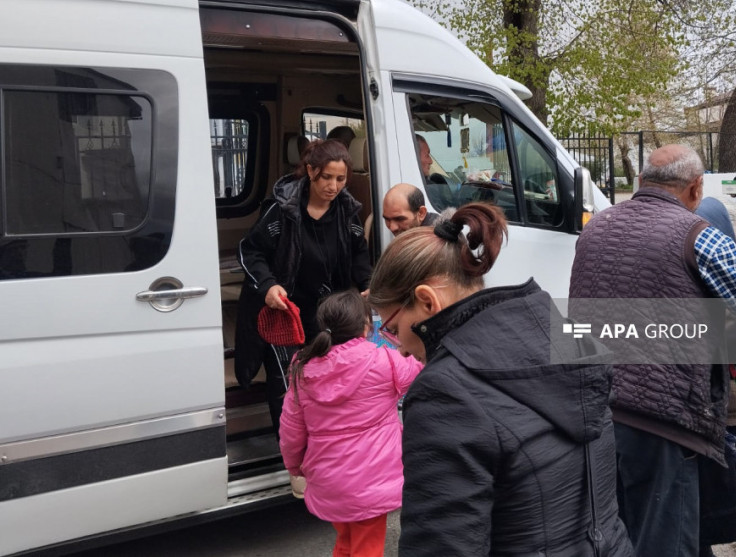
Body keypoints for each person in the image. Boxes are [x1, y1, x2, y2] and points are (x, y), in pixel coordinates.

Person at [367, 203, 633, 556]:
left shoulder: (443, 392)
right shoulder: (564, 334)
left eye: (392, 328)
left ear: (427, 302)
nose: (399, 348)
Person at [569, 144, 736, 557]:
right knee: (665, 541)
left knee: (616, 534)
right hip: (662, 423)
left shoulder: (596, 227)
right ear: (696, 188)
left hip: (595, 411)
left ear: (641, 181)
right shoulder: (700, 236)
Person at [237, 139, 372, 436]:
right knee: (287, 385)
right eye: (326, 177)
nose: (333, 186)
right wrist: (269, 286)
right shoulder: (282, 210)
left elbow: (359, 255)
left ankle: (321, 445)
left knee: (326, 379)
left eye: (341, 179)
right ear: (311, 171)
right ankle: (291, 449)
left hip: (326, 314)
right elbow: (251, 251)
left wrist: (367, 286)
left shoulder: (347, 212)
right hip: (285, 312)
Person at [279, 290, 422, 557]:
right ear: (367, 326)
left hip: (328, 479)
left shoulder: (303, 368)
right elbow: (419, 364)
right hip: (371, 481)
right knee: (367, 549)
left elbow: (291, 429)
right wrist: (392, 330)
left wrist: (294, 465)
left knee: (346, 542)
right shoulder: (385, 361)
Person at [695, 196, 736, 555]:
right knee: (715, 488)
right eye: (734, 240)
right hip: (721, 403)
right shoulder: (711, 267)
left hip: (730, 398)